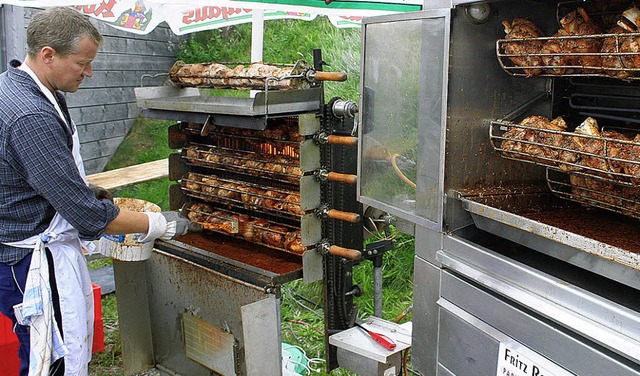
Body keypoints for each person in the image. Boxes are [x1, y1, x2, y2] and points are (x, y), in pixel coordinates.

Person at [0, 7, 197, 376]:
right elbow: (88, 217)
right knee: (50, 360)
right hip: (32, 264)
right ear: (48, 55)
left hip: (20, 247)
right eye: (82, 63)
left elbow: (30, 172)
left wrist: (80, 188)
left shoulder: (19, 85)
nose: (89, 72)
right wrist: (161, 225)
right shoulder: (30, 114)